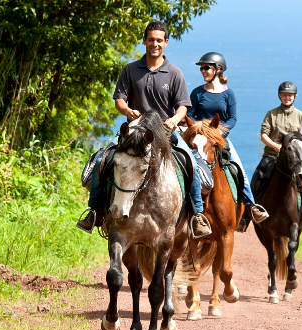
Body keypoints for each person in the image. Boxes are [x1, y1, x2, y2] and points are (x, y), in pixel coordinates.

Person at [76, 21, 212, 238]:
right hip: (134, 130)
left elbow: (183, 105)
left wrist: (175, 119)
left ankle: (197, 216)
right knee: (103, 159)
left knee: (192, 163)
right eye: (151, 39)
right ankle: (93, 211)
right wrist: (128, 111)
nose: (155, 44)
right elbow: (119, 100)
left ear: (166, 43)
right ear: (144, 41)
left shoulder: (174, 73)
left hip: (165, 131)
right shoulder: (130, 69)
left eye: (159, 40)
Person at [186, 52, 269, 224]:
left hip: (220, 138)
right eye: (201, 68)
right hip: (200, 139)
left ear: (218, 69)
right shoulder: (196, 93)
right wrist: (202, 130)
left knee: (238, 168)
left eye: (206, 67)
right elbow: (190, 115)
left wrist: (219, 132)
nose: (203, 71)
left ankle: (251, 207)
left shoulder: (228, 94)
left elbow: (232, 118)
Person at [244, 81, 302, 235]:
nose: (287, 97)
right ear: (279, 96)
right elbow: (264, 135)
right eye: (284, 95)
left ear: (295, 96)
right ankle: (245, 217)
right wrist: (275, 145)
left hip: (294, 159)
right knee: (256, 179)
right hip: (272, 155)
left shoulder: (300, 116)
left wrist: (297, 149)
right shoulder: (271, 114)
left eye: (290, 95)